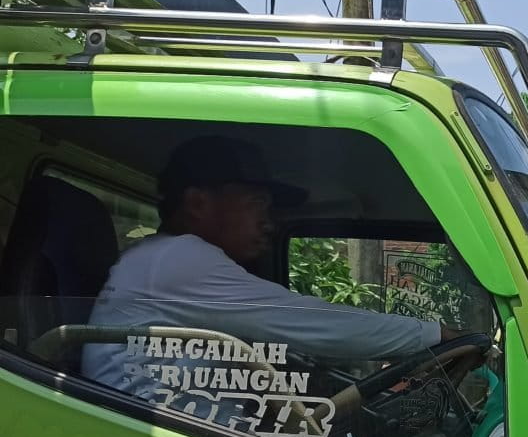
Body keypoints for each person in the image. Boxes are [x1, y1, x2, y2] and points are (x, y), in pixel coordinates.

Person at [82, 135, 466, 405]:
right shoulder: (176, 258)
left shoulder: (161, 260)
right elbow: (310, 323)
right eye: (257, 204)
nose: (268, 223)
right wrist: (436, 335)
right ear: (198, 203)